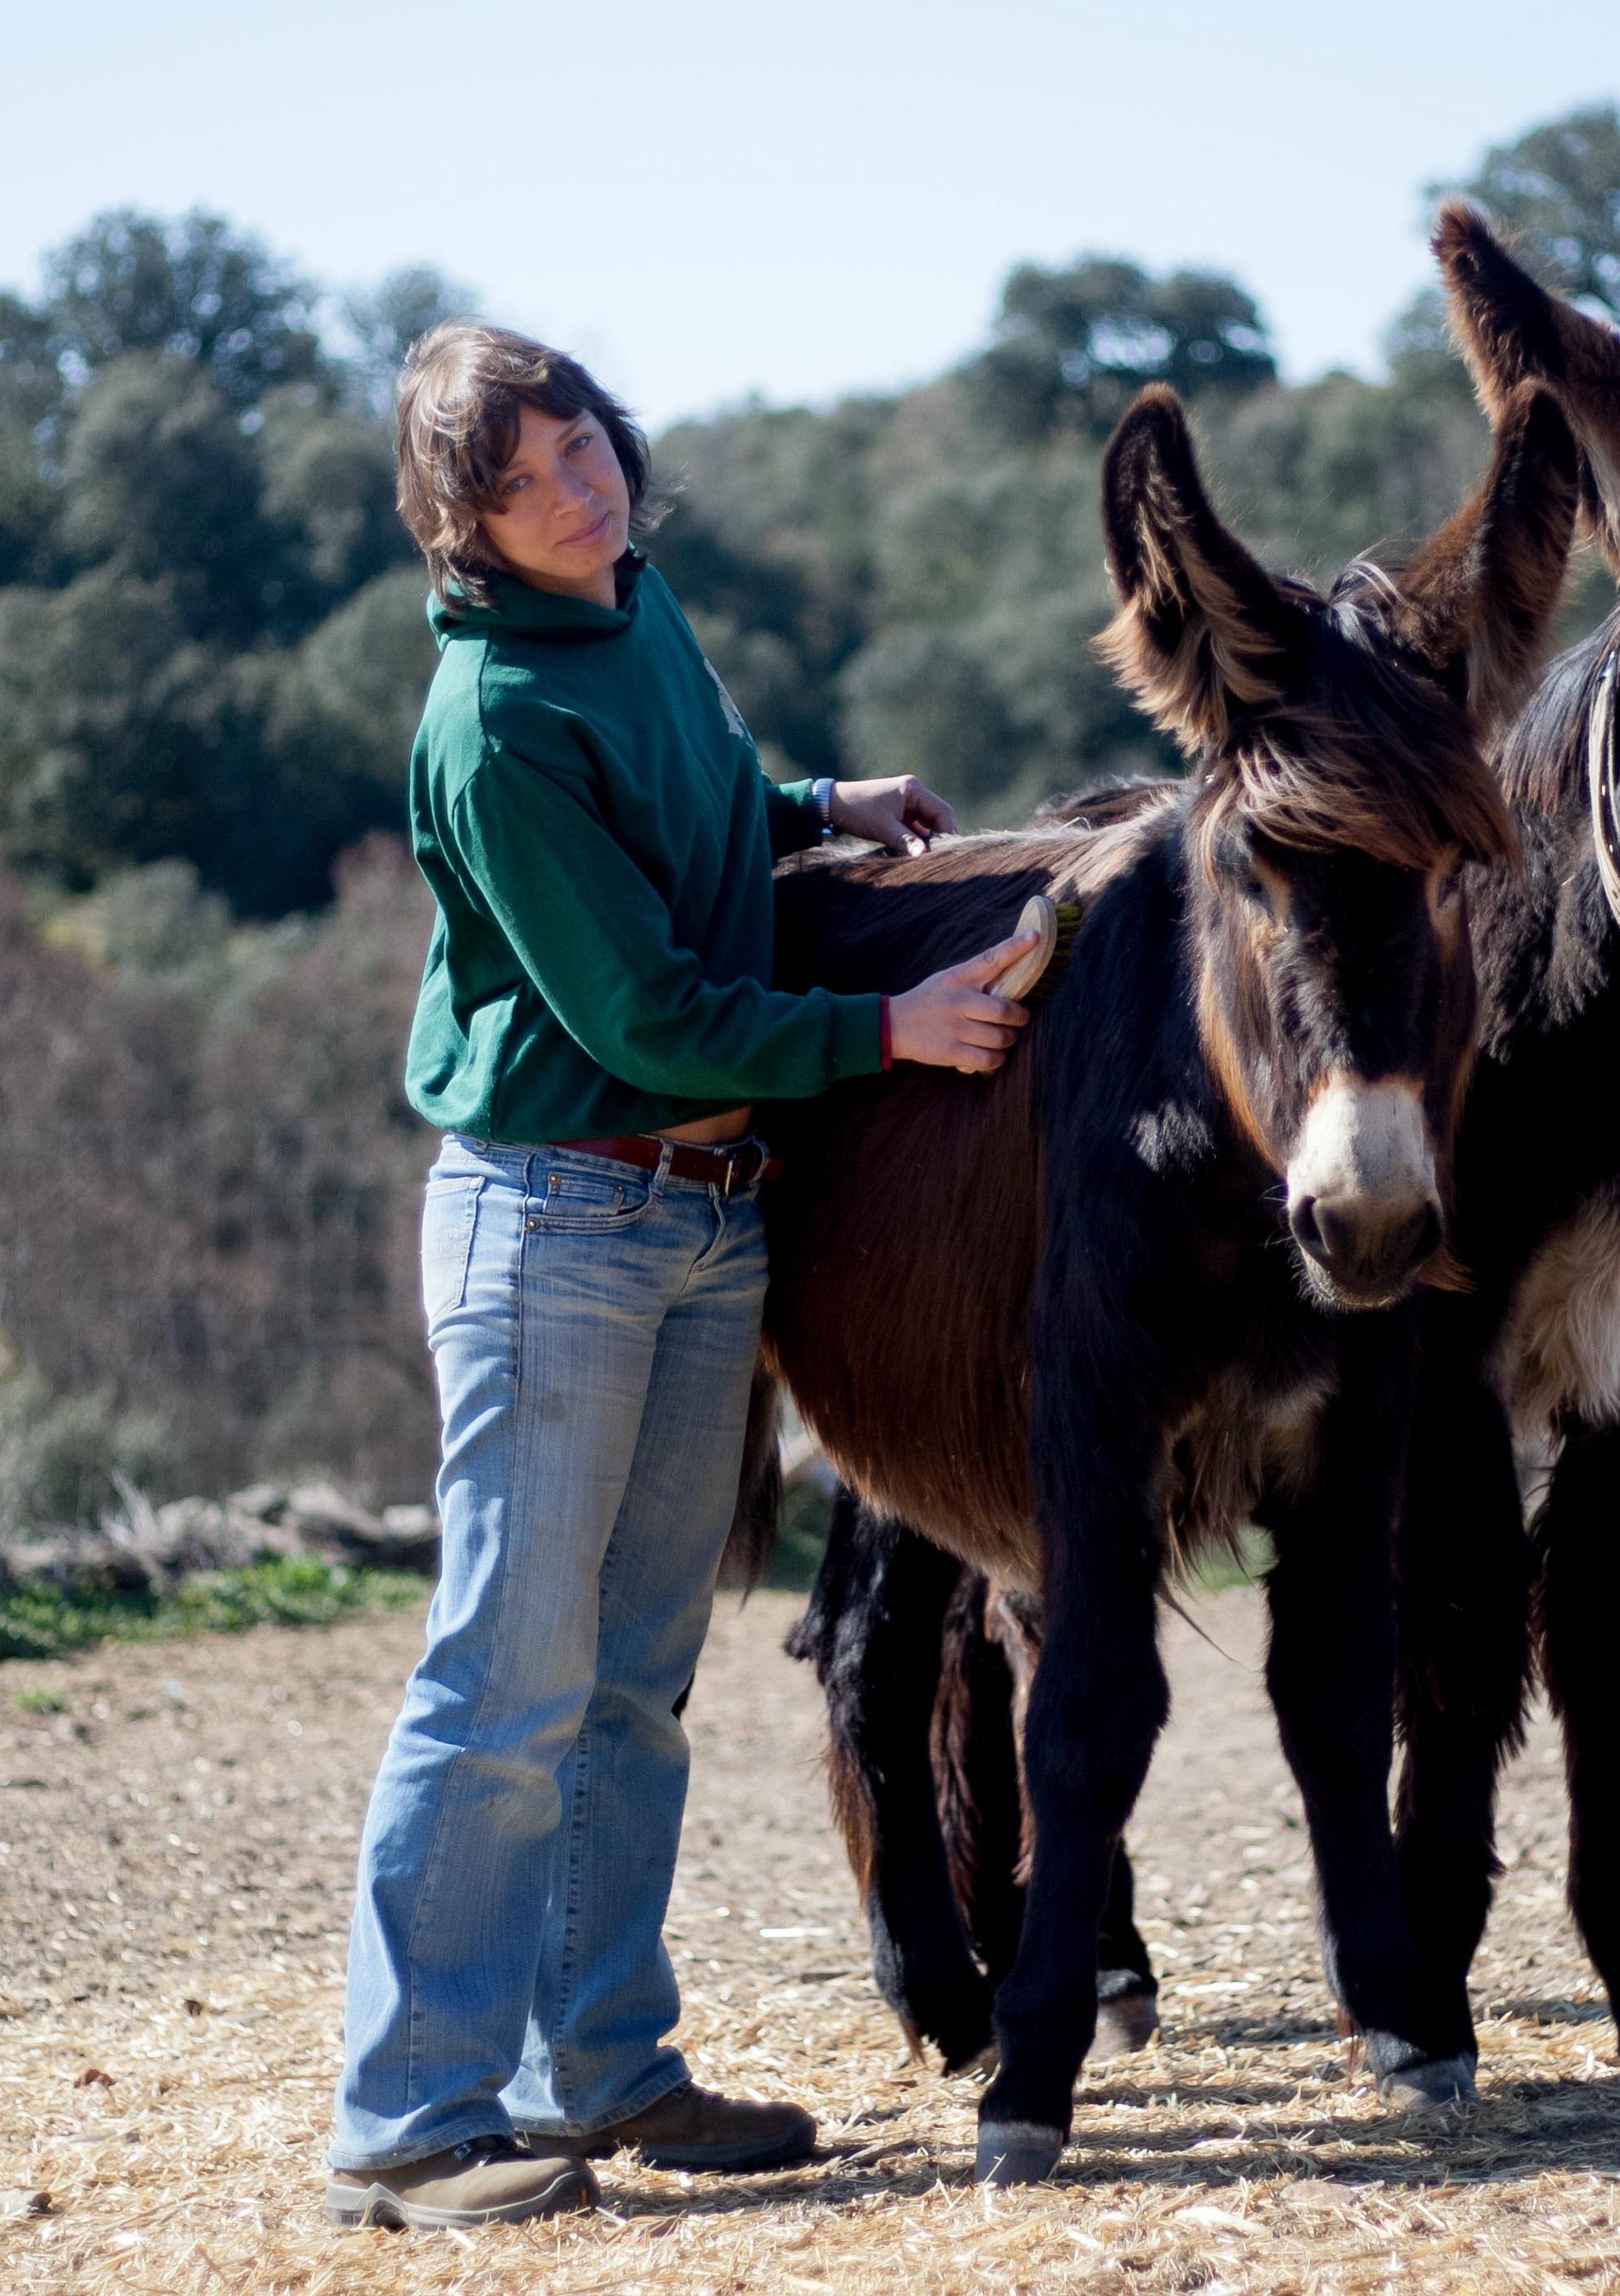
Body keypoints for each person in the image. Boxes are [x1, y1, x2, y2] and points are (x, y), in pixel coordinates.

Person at [325, 323, 1034, 2233]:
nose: (583, 484)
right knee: (506, 1674)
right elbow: (638, 1003)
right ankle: (412, 2116)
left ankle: (606, 2069)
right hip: (563, 1212)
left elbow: (703, 816)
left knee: (632, 1675)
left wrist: (819, 810)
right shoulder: (490, 724)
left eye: (586, 443)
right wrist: (889, 1031)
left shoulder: (635, 612)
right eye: (529, 474)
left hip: (707, 1211)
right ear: (464, 523)